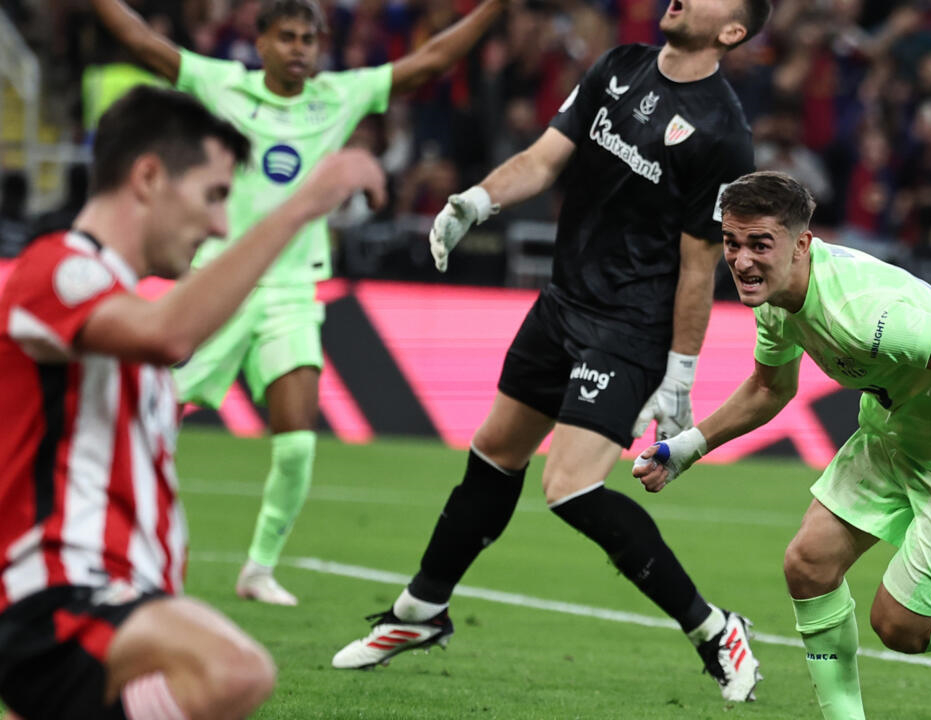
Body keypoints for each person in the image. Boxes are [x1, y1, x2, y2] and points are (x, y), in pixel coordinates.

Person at [331, 0, 771, 702]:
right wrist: (476, 201)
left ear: (732, 31)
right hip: (562, 304)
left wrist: (679, 374)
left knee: (568, 487)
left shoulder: (723, 133)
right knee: (494, 452)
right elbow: (544, 158)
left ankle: (716, 629)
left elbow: (698, 266)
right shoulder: (619, 66)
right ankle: (420, 612)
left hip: (628, 328)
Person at [633, 171, 931, 719]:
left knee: (900, 627)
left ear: (801, 245)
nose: (741, 260)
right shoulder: (776, 299)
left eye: (759, 244)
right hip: (892, 432)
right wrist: (685, 449)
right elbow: (770, 388)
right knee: (808, 566)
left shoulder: (861, 314)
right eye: (732, 242)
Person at [90, 0, 508, 606]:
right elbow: (141, 42)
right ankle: (111, 547)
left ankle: (258, 570)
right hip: (218, 285)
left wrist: (494, 8)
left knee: (297, 442)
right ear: (260, 42)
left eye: (308, 39)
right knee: (151, 420)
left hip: (291, 291)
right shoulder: (221, 84)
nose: (299, 50)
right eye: (286, 37)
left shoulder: (338, 96)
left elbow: (431, 61)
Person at [0, 86, 383, 720]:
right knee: (234, 670)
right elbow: (168, 334)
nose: (221, 224)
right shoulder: (58, 268)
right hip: (58, 595)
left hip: (120, 597)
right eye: (213, 196)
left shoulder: (118, 306)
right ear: (148, 177)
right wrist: (301, 207)